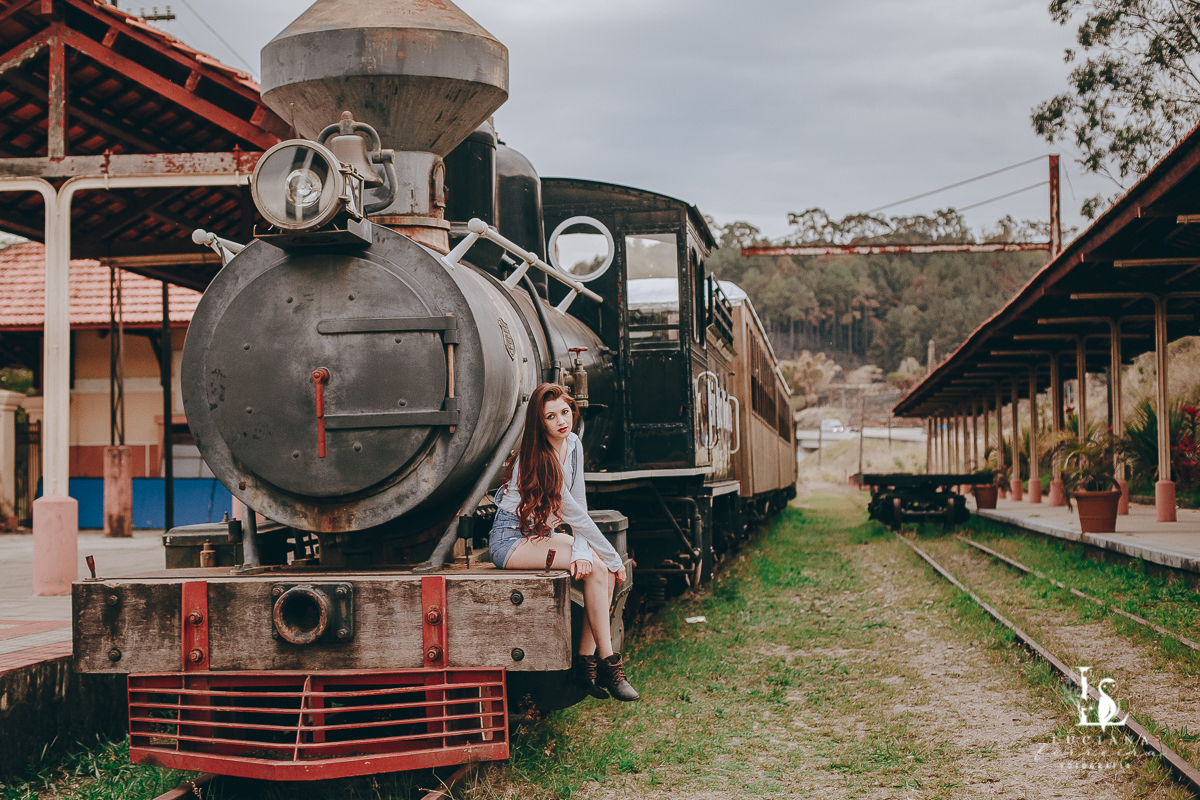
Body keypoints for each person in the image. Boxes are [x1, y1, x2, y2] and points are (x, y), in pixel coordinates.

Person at [489, 383, 639, 702]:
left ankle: (586, 665)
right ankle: (609, 665)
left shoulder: (572, 443)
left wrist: (587, 551)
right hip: (511, 540)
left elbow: (580, 504)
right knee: (603, 569)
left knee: (601, 571)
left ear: (573, 410)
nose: (561, 421)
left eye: (565, 412)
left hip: (540, 534)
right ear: (539, 422)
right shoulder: (538, 458)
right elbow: (575, 515)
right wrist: (610, 556)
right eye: (551, 416)